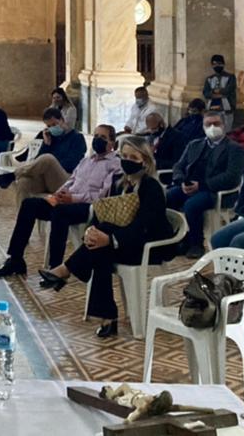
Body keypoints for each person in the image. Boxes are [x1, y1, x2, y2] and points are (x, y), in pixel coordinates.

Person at [36, 136, 175, 339]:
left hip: (149, 245)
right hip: (125, 240)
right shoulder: (120, 184)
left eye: (133, 157)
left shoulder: (151, 187)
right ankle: (104, 314)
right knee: (99, 247)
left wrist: (110, 239)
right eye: (124, 156)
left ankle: (68, 274)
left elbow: (143, 226)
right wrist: (92, 232)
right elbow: (106, 212)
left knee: (102, 246)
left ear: (144, 161)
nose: (127, 161)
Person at [0, 124, 120, 277]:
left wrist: (73, 198)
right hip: (66, 200)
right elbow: (71, 181)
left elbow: (102, 196)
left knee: (60, 212)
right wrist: (58, 195)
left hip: (87, 206)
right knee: (29, 204)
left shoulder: (114, 165)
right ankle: (15, 259)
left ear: (112, 143)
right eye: (96, 136)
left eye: (103, 137)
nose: (98, 140)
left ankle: (55, 267)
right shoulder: (86, 161)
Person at [165, 110, 244, 255]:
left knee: (192, 205)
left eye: (216, 123)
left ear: (224, 125)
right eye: (208, 124)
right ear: (203, 127)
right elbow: (178, 166)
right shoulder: (194, 144)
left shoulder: (234, 148)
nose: (212, 127)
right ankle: (174, 238)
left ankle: (196, 243)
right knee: (167, 198)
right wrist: (181, 180)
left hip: (214, 190)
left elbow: (232, 177)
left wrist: (202, 185)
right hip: (189, 185)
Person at [8, 108, 89, 200]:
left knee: (48, 158)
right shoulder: (51, 137)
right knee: (24, 182)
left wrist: (51, 165)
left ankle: (14, 174)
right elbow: (38, 160)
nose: (52, 128)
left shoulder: (77, 137)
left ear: (62, 120)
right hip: (47, 178)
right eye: (49, 126)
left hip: (66, 179)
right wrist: (46, 144)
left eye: (54, 124)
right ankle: (22, 209)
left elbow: (73, 163)